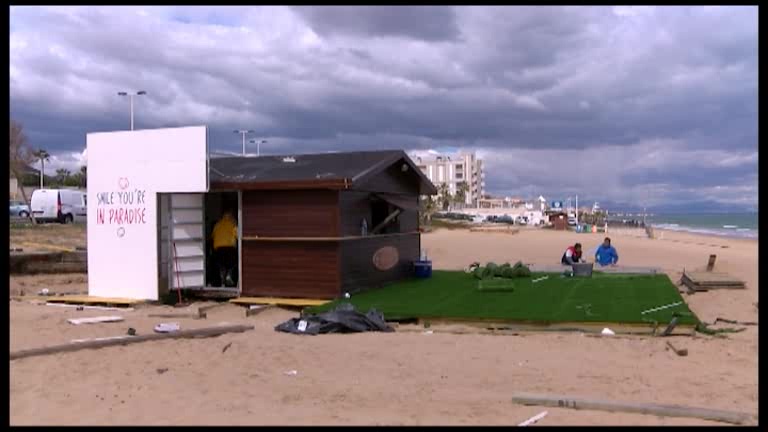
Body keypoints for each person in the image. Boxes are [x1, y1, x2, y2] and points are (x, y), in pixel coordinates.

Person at [212, 210, 238, 287]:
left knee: (221, 265)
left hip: (218, 248)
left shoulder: (217, 224)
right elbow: (238, 236)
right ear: (231, 217)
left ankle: (222, 282)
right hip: (230, 248)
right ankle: (229, 275)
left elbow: (213, 236)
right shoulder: (233, 224)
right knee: (232, 263)